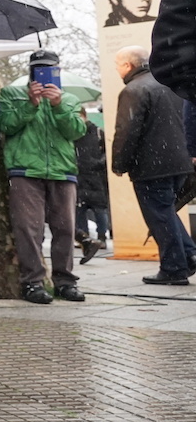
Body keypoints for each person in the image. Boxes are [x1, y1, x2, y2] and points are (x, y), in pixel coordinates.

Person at [0, 49, 88, 304]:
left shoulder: (69, 99)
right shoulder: (12, 94)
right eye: (38, 68)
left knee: (65, 229)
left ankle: (65, 281)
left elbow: (77, 131)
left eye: (49, 68)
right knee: (28, 229)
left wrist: (58, 106)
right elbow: (4, 125)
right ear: (30, 70)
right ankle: (33, 282)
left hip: (63, 170)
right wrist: (30, 104)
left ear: (58, 70)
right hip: (25, 169)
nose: (44, 73)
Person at [111, 46, 196, 285]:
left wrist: (119, 164)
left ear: (128, 65)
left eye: (118, 65)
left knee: (159, 216)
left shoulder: (134, 90)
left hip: (151, 165)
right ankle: (188, 255)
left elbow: (126, 131)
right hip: (179, 161)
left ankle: (174, 268)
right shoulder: (169, 85)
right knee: (167, 211)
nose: (118, 70)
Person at [73, 110, 111, 261]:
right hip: (80, 175)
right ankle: (85, 238)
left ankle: (102, 237)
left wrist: (98, 164)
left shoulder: (98, 132)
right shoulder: (73, 133)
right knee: (80, 208)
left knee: (99, 208)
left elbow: (107, 152)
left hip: (95, 176)